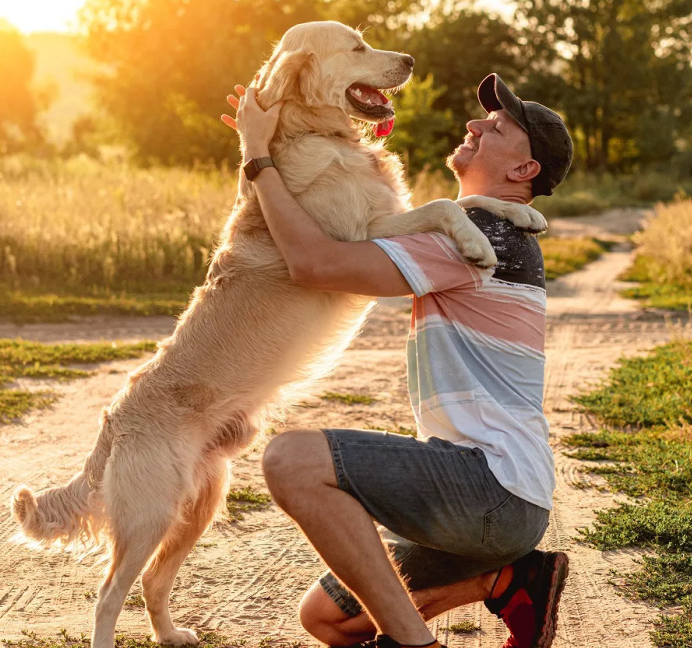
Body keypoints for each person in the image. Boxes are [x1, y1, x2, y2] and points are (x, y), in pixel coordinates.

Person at [224, 73, 574, 648]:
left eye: (499, 126)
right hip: (492, 497)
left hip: (491, 487)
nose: (475, 123)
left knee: (291, 460)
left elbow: (315, 264)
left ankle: (414, 644)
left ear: (523, 170)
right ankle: (508, 580)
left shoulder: (477, 236)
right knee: (328, 618)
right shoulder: (477, 228)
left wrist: (258, 155)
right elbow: (351, 234)